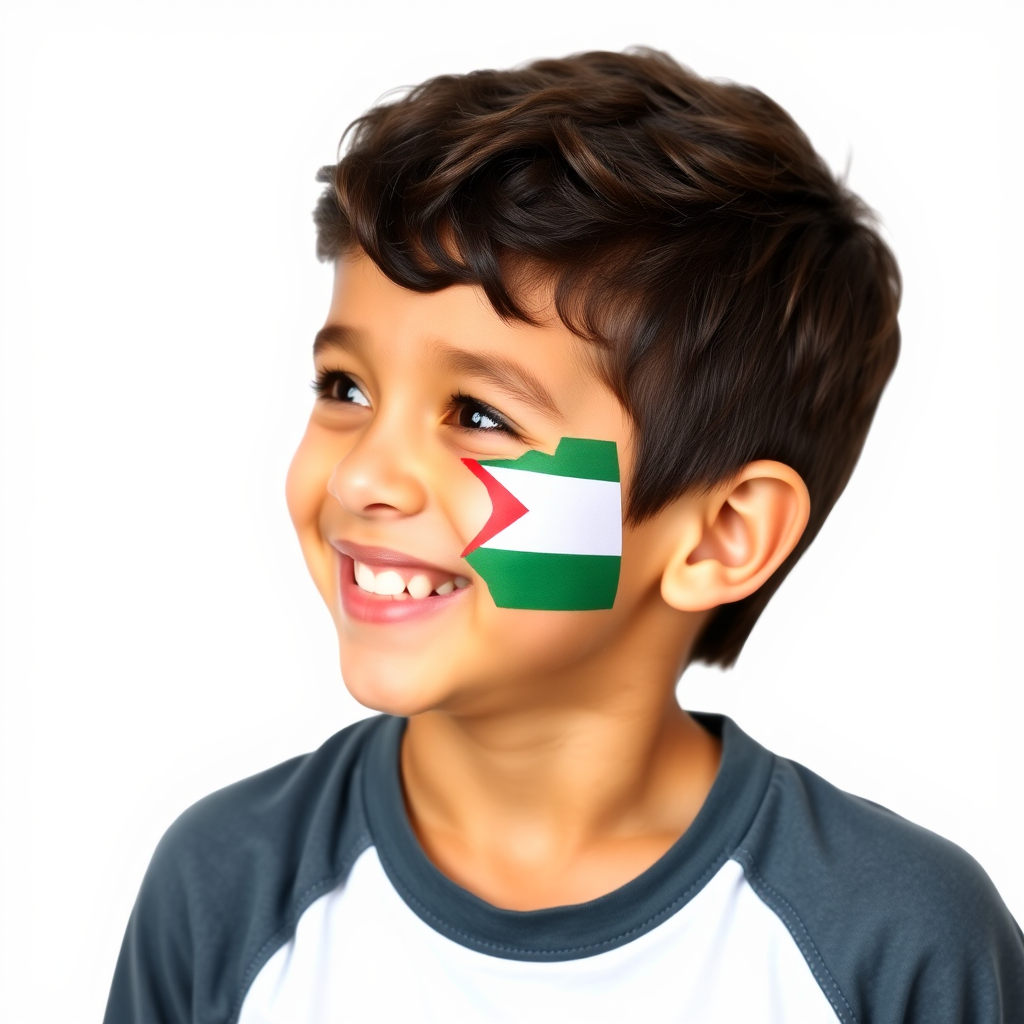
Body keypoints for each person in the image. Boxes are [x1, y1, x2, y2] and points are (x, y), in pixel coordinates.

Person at [104, 49, 1024, 1023]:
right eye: (347, 389)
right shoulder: (223, 885)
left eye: (480, 415)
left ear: (721, 534)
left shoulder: (895, 939)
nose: (364, 474)